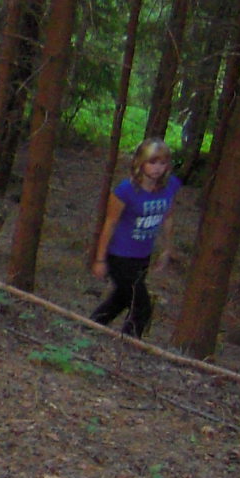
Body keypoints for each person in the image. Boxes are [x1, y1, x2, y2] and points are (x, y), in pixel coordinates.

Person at [91, 137, 182, 337]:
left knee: (122, 298)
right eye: (152, 162)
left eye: (162, 163)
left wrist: (167, 249)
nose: (158, 168)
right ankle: (128, 346)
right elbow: (110, 223)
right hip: (120, 255)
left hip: (142, 255)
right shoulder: (125, 190)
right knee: (141, 307)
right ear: (140, 162)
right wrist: (99, 259)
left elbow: (168, 217)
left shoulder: (170, 186)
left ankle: (89, 328)